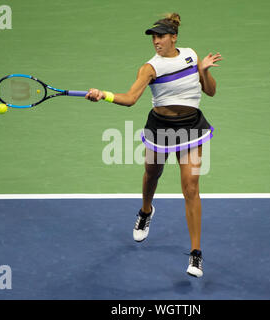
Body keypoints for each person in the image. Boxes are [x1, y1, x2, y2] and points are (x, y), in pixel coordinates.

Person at [85, 13, 222, 278]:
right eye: (153, 37)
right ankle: (146, 210)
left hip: (191, 128)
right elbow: (130, 98)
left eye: (160, 36)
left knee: (191, 188)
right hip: (160, 127)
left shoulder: (191, 56)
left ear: (174, 37)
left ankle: (196, 255)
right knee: (152, 173)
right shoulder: (149, 68)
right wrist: (104, 95)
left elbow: (211, 91)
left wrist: (203, 71)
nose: (156, 41)